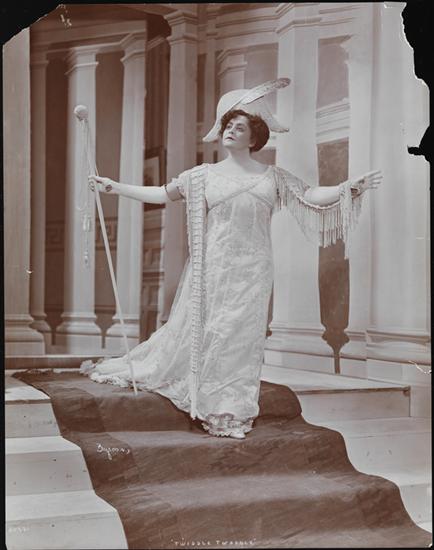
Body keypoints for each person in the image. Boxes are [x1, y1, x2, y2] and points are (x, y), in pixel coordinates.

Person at [82, 78, 381, 439]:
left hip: (254, 269)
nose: (230, 131)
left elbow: (310, 194)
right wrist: (115, 187)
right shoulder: (202, 176)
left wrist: (347, 188)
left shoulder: (273, 177)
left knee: (241, 337)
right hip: (212, 267)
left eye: (239, 127)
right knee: (210, 330)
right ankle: (201, 391)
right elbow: (163, 193)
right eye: (228, 125)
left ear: (254, 138)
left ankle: (229, 406)